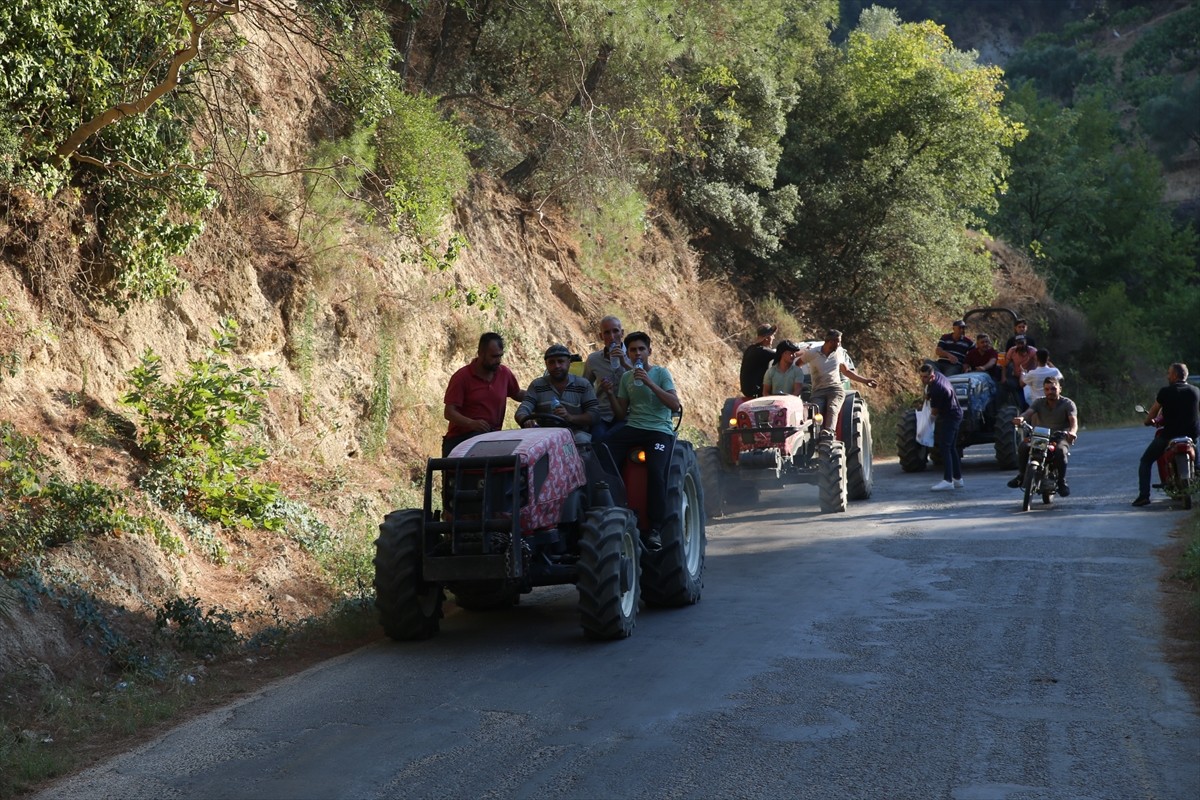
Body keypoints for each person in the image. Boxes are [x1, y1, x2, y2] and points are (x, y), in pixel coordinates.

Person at [599, 331, 680, 551]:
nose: (637, 354)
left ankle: (655, 528)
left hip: (658, 430)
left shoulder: (661, 373)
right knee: (602, 449)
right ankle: (616, 507)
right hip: (634, 426)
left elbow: (674, 404)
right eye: (633, 350)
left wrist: (650, 383)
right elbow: (620, 414)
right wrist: (609, 394)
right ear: (629, 352)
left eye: (641, 349)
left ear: (649, 351)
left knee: (656, 470)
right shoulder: (626, 378)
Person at [442, 332, 526, 456]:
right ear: (480, 354)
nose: (498, 361)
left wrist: (539, 395)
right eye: (493, 356)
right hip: (460, 441)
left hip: (490, 440)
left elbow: (517, 394)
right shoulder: (462, 377)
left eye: (500, 356)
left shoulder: (504, 373)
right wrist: (472, 424)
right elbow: (449, 412)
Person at [1133, 363, 1200, 507]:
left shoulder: (1165, 392)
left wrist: (1147, 421)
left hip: (1169, 436)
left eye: (1169, 373)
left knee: (1145, 461)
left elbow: (1154, 410)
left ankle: (1143, 496)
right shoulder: (1196, 391)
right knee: (1198, 463)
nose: (1167, 376)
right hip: (1191, 437)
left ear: (1175, 375)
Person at [796, 329, 878, 436]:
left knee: (832, 407)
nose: (839, 344)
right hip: (818, 391)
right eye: (838, 341)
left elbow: (846, 371)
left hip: (835, 389)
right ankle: (815, 435)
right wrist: (796, 382)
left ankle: (829, 432)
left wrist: (865, 380)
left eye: (839, 341)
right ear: (830, 341)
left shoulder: (839, 353)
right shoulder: (812, 353)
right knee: (816, 411)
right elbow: (797, 365)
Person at [1007, 376, 1078, 496]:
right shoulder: (1039, 402)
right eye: (1047, 389)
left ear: (1059, 389)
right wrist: (1021, 418)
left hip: (1059, 437)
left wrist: (1072, 432)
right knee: (1024, 446)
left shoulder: (1068, 403)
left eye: (1053, 389)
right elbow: (1028, 413)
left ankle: (1061, 482)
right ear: (1044, 390)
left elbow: (1073, 422)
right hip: (1040, 436)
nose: (1050, 392)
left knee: (1061, 451)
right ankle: (1022, 476)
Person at [515, 344, 600, 437]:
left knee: (581, 439)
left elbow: (594, 415)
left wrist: (570, 417)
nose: (556, 366)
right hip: (545, 436)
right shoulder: (537, 385)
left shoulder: (583, 384)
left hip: (576, 434)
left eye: (560, 361)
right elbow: (522, 410)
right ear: (546, 364)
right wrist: (525, 419)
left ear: (569, 362)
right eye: (551, 362)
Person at [581, 315, 633, 443]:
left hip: (630, 416)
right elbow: (585, 387)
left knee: (612, 442)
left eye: (615, 331)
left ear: (622, 333)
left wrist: (624, 362)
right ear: (601, 336)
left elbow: (643, 381)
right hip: (603, 415)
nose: (612, 336)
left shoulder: (634, 356)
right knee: (597, 441)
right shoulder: (593, 360)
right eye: (607, 332)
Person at [920, 363, 964, 491]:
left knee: (945, 447)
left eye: (926, 377)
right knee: (951, 447)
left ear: (932, 376)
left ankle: (948, 480)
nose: (923, 380)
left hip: (951, 417)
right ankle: (958, 479)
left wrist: (925, 427)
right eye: (921, 377)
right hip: (956, 413)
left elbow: (934, 413)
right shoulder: (938, 376)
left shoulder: (937, 389)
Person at [739, 324, 776, 398]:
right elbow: (783, 355)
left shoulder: (750, 349)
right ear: (766, 338)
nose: (774, 338)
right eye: (772, 336)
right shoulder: (763, 351)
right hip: (756, 391)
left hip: (747, 390)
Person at [1003, 335, 1038, 410]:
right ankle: (1018, 406)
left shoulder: (1032, 351)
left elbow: (1038, 363)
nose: (1021, 345)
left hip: (1030, 377)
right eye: (1018, 343)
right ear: (1016, 344)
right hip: (1017, 376)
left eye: (1022, 343)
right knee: (1010, 386)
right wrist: (1004, 377)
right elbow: (1005, 365)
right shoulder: (1012, 351)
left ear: (1025, 342)